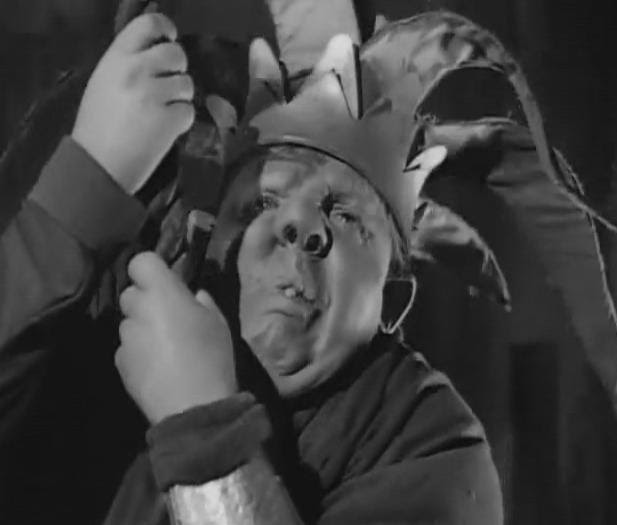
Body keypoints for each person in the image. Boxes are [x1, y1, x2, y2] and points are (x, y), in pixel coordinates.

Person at [0, 5, 503, 524]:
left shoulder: (425, 445)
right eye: (262, 202)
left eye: (347, 217)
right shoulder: (113, 313)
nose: (300, 225)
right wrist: (84, 188)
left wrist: (204, 433)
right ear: (210, 240)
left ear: (391, 302)